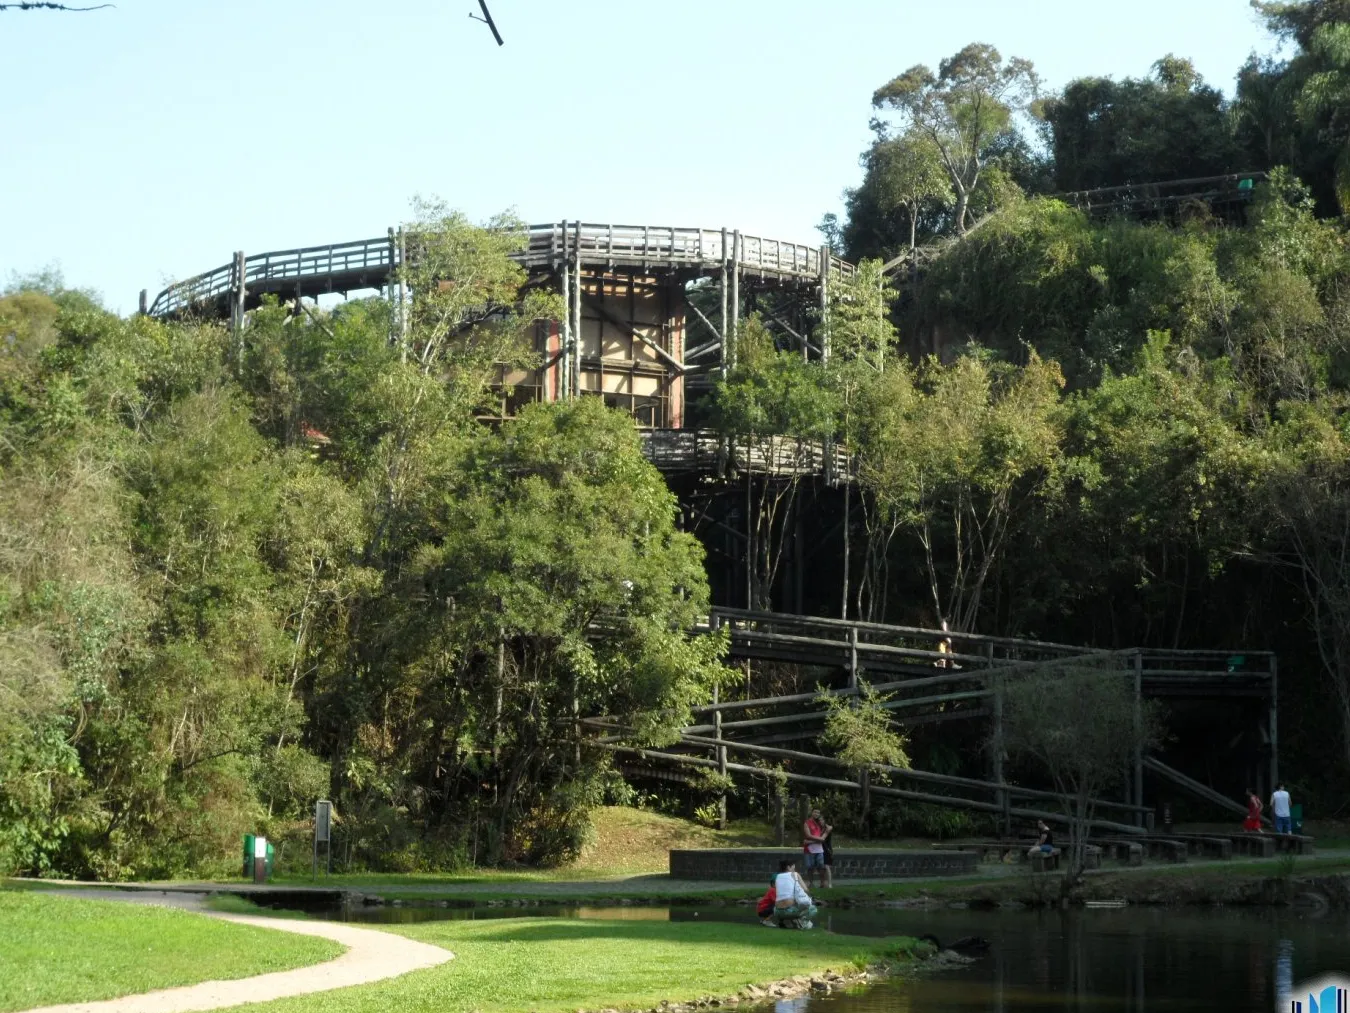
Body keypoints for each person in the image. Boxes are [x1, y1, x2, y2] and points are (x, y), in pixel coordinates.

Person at [772, 859, 816, 929]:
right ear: (788, 867)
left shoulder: (777, 876)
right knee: (813, 909)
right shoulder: (795, 874)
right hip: (789, 911)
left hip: (777, 911)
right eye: (793, 866)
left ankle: (787, 922)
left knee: (793, 902)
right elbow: (806, 890)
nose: (794, 868)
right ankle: (802, 923)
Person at [801, 808, 831, 890]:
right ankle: (810, 883)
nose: (816, 814)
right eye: (815, 812)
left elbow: (826, 830)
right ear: (812, 812)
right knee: (810, 867)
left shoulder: (819, 823)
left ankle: (822, 883)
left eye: (818, 812)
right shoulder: (807, 823)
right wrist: (820, 839)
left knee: (821, 867)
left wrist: (825, 833)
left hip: (819, 849)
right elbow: (808, 835)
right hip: (809, 850)